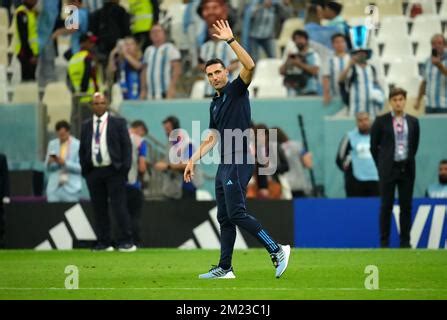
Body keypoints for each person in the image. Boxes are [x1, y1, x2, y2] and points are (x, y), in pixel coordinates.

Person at [184, 20, 290, 279]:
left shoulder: (236, 90)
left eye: (217, 72)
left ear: (225, 72)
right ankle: (225, 267)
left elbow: (250, 65)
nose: (214, 78)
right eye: (209, 75)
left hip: (240, 159)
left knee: (236, 213)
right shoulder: (215, 103)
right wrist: (193, 160)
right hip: (224, 162)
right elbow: (211, 137)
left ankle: (277, 249)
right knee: (224, 217)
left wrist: (230, 41)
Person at [79, 92, 135, 252]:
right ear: (91, 105)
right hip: (94, 172)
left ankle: (126, 241)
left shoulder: (117, 122)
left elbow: (126, 147)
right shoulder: (86, 125)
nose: (99, 106)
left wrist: (124, 169)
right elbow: (83, 149)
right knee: (99, 209)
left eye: (102, 103)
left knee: (119, 207)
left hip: (114, 171)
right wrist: (86, 171)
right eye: (96, 103)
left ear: (107, 104)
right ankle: (104, 242)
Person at [370, 87, 420, 248]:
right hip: (388, 169)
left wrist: (407, 160)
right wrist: (382, 165)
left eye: (401, 99)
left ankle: (405, 242)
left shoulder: (413, 121)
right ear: (390, 102)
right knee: (386, 206)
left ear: (405, 101)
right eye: (395, 100)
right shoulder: (381, 121)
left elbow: (414, 145)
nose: (398, 103)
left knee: (406, 206)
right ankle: (384, 243)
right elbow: (373, 146)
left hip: (407, 168)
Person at [336, 112, 379, 197]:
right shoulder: (349, 137)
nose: (364, 123)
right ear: (356, 122)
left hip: (376, 180)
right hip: (356, 182)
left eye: (366, 119)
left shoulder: (378, 136)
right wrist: (349, 172)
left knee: (377, 208)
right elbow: (340, 158)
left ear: (370, 120)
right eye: (360, 120)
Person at [154, 116, 198, 200]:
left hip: (187, 187)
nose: (166, 132)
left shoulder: (188, 144)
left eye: (168, 129)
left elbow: (189, 165)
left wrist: (167, 166)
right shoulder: (170, 144)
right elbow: (169, 160)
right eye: (165, 129)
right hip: (173, 188)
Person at [140, 24, 182, 100]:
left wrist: (172, 87)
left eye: (158, 31)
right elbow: (144, 71)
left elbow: (177, 69)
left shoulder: (171, 48)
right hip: (150, 94)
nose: (156, 33)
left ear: (164, 34)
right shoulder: (148, 50)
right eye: (153, 32)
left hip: (165, 93)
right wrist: (143, 89)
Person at [338, 48, 384, 117]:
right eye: (358, 53)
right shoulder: (352, 68)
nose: (361, 55)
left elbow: (376, 83)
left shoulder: (371, 68)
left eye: (363, 53)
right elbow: (340, 80)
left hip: (371, 107)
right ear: (355, 55)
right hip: (356, 106)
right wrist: (349, 65)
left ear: (366, 54)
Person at [45, 121, 82, 202]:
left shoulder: (78, 145)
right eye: (59, 135)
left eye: (64, 134)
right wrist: (49, 163)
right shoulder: (52, 144)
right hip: (54, 188)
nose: (62, 137)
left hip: (71, 188)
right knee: (53, 214)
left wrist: (65, 163)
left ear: (68, 132)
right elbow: (47, 168)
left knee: (73, 214)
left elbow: (81, 168)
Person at [88, 0, 131, 69]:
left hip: (102, 46)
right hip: (117, 45)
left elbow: (93, 32)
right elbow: (126, 29)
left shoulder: (98, 13)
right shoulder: (121, 10)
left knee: (105, 68)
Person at [198, 26, 239, 97]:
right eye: (211, 28)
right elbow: (200, 64)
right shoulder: (204, 46)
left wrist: (221, 71)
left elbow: (235, 64)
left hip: (226, 87)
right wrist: (210, 71)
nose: (213, 31)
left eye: (215, 28)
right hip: (208, 87)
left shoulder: (228, 45)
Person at [279, 30, 321, 96]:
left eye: (300, 38)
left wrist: (298, 64)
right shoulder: (292, 55)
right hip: (294, 91)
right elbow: (281, 72)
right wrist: (288, 61)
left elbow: (314, 71)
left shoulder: (313, 54)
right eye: (296, 39)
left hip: (309, 90)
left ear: (306, 40)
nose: (298, 41)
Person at [127, 120, 149, 246]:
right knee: (134, 215)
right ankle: (135, 242)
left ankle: (122, 241)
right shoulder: (140, 142)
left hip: (117, 183)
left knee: (121, 213)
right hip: (133, 183)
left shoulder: (119, 136)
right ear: (140, 128)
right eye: (143, 133)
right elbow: (142, 167)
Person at [275, 127, 313, 198]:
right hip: (300, 183)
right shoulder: (297, 145)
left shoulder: (274, 149)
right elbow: (308, 164)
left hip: (285, 185)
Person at [415, 34, 447, 114]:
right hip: (429, 105)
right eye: (433, 43)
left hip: (444, 105)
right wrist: (418, 100)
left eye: (439, 43)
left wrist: (439, 66)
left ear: (445, 45)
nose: (436, 46)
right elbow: (424, 82)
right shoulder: (427, 61)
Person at [13, 0, 39, 81]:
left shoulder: (33, 12)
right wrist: (31, 55)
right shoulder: (22, 13)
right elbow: (23, 36)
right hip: (25, 52)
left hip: (34, 51)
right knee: (27, 80)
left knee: (32, 79)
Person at [322, 33, 350, 105]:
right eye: (337, 42)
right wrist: (326, 93)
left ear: (345, 43)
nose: (340, 44)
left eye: (342, 41)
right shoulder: (329, 60)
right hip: (335, 95)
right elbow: (326, 77)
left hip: (350, 95)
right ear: (333, 44)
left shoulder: (351, 59)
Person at [0, 153, 10, 249]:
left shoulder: (2, 157)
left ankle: (1, 244)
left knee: (1, 221)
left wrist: (6, 195)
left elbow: (5, 177)